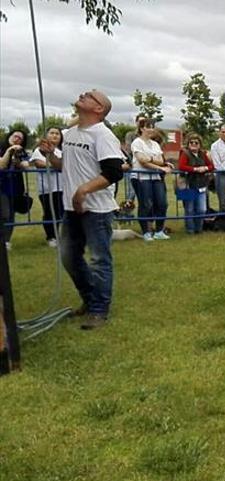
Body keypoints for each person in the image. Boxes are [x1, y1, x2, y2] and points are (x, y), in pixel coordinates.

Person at [56, 89, 124, 329]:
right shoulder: (72, 133)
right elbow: (67, 165)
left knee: (99, 260)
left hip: (97, 209)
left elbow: (114, 171)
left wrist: (83, 190)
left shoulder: (103, 135)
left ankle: (99, 310)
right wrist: (49, 155)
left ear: (99, 109)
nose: (83, 94)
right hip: (71, 207)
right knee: (69, 257)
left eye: (90, 95)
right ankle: (89, 298)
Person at [130, 118, 172, 241]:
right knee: (146, 204)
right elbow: (142, 161)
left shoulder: (155, 144)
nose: (151, 129)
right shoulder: (137, 143)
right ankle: (146, 232)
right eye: (148, 126)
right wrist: (160, 167)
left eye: (153, 127)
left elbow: (160, 159)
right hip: (141, 177)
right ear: (142, 128)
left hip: (155, 176)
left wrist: (152, 160)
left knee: (162, 203)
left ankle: (159, 231)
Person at [31, 127, 65, 247]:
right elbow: (40, 163)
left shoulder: (61, 151)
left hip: (61, 187)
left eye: (57, 133)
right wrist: (56, 165)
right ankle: (51, 237)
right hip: (47, 188)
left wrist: (58, 165)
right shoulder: (39, 151)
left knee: (61, 211)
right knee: (50, 212)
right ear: (46, 135)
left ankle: (59, 235)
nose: (55, 136)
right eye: (52, 133)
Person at [177, 133, 215, 234]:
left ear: (200, 144)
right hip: (187, 185)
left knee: (202, 209)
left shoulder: (203, 154)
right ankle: (190, 229)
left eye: (196, 142)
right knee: (189, 209)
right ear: (188, 143)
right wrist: (195, 169)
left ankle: (199, 228)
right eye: (191, 142)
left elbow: (211, 166)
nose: (194, 144)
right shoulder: (184, 153)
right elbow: (181, 166)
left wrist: (205, 168)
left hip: (201, 185)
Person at [0, 130, 31, 249]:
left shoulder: (21, 152)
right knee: (5, 213)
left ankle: (6, 241)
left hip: (15, 187)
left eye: (20, 138)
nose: (17, 139)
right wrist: (9, 151)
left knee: (11, 215)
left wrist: (18, 162)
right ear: (9, 136)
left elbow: (26, 165)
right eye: (15, 136)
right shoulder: (2, 148)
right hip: (1, 186)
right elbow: (2, 165)